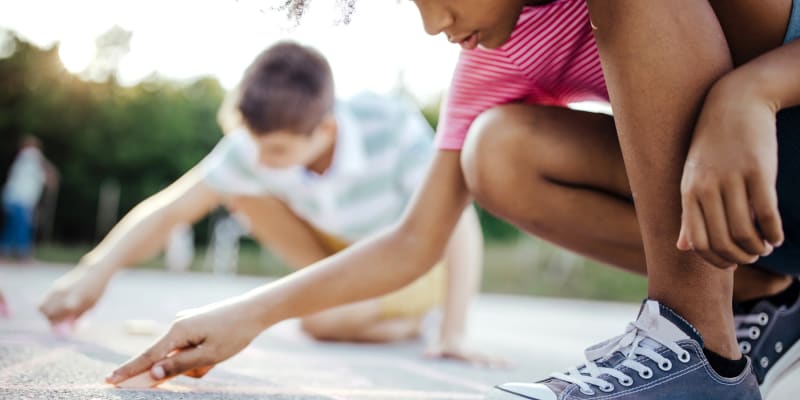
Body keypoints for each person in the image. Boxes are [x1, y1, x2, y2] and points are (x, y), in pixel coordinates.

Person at [108, 1, 800, 399]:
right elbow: (416, 242)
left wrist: (754, 89)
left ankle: (696, 354)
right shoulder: (490, 60)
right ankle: (760, 291)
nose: (431, 22)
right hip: (772, 216)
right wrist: (246, 313)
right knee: (496, 153)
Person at [38, 42, 495, 364]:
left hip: (405, 254)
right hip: (335, 248)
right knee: (238, 190)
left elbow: (458, 219)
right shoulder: (254, 145)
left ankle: (408, 322)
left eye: (276, 151)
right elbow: (174, 207)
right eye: (254, 145)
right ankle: (348, 310)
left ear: (326, 131)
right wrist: (95, 270)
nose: (259, 159)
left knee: (321, 323)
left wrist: (455, 331)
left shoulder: (390, 126)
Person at [1, 136, 57, 261]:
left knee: (13, 226)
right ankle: (23, 255)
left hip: (15, 199)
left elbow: (45, 179)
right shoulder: (30, 155)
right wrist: (52, 173)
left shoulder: (27, 164)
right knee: (23, 226)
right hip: (20, 199)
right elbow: (48, 172)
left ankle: (5, 252)